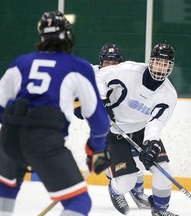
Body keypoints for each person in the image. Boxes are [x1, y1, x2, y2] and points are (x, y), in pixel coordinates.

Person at [0, 11, 110, 216]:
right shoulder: (78, 67)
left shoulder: (21, 62)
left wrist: (19, 129)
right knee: (78, 202)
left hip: (7, 138)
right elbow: (99, 122)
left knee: (6, 185)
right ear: (68, 36)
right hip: (43, 142)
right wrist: (96, 148)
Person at [96, 43, 178, 216]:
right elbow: (99, 76)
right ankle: (114, 189)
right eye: (157, 62)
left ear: (170, 67)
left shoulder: (168, 94)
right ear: (150, 61)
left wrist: (151, 142)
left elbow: (156, 122)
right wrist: (102, 101)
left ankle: (160, 210)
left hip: (141, 130)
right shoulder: (128, 71)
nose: (160, 67)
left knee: (164, 172)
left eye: (165, 64)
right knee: (127, 181)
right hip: (115, 130)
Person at [75, 43, 151, 210]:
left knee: (138, 162)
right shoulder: (92, 75)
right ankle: (117, 188)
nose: (110, 66)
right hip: (106, 129)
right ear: (101, 62)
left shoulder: (125, 74)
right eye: (107, 62)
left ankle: (138, 193)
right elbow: (78, 105)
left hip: (128, 125)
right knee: (115, 167)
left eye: (114, 62)